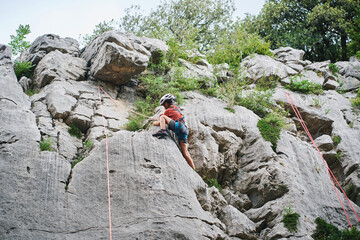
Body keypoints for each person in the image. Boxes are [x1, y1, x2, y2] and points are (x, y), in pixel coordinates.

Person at [152, 93, 195, 170]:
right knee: (185, 153)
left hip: (179, 126)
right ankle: (193, 169)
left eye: (163, 105)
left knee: (162, 116)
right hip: (184, 130)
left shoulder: (168, 110)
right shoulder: (176, 109)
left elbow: (162, 120)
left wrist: (154, 123)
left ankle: (162, 131)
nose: (164, 107)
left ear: (166, 103)